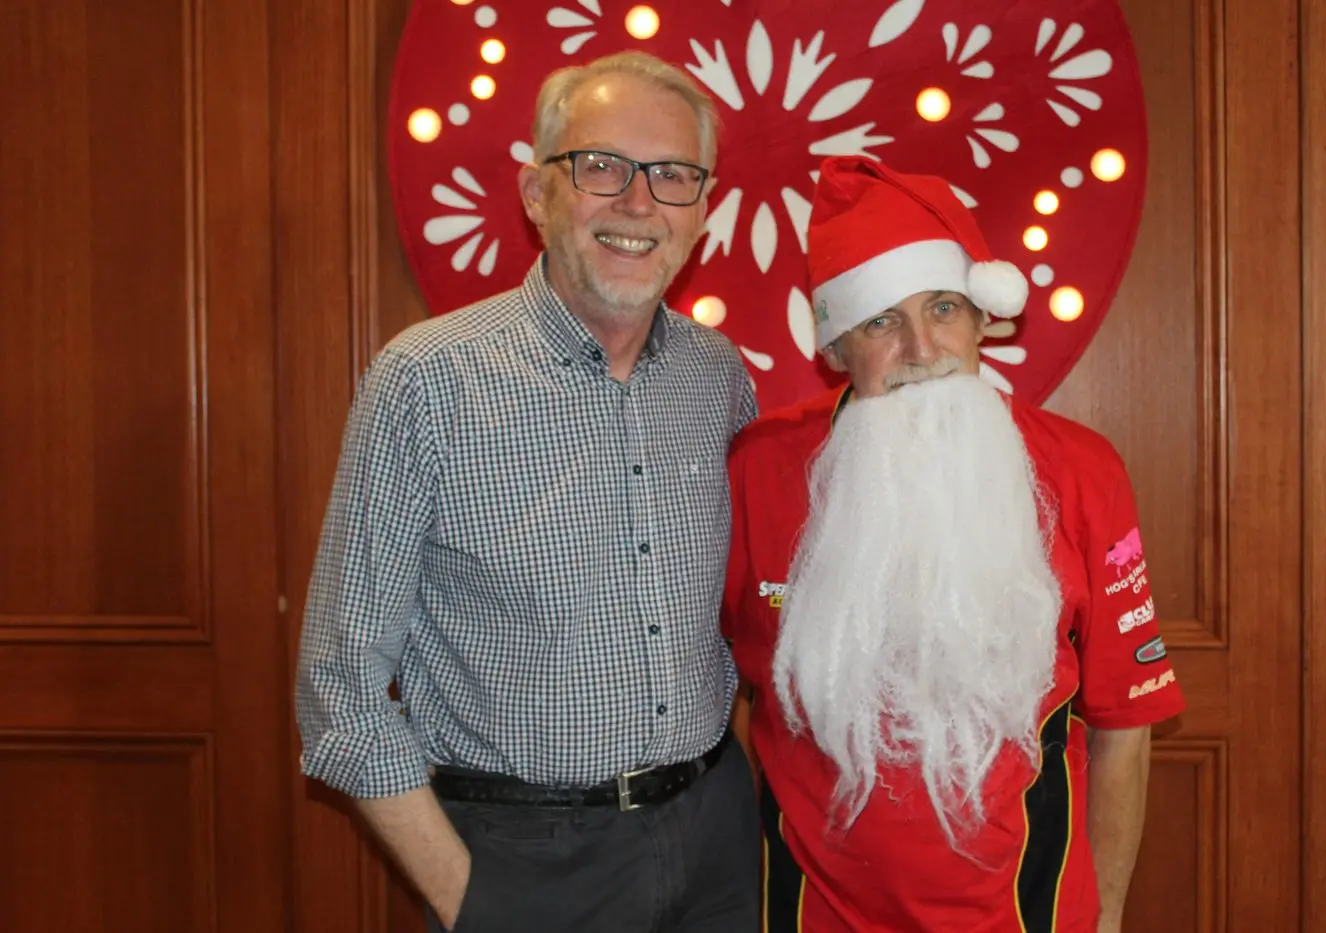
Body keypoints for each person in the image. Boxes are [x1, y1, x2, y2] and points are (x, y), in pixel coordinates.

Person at [296, 51, 761, 933]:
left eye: (672, 176)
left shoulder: (718, 378)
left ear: (702, 214)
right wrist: (472, 901)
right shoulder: (426, 381)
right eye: (600, 167)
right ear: (536, 193)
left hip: (717, 839)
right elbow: (341, 689)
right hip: (523, 858)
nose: (636, 204)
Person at [723, 155, 1185, 933]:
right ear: (834, 349)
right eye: (879, 322)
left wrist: (1104, 917)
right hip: (810, 912)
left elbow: (1123, 722)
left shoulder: (1080, 469)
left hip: (1025, 911)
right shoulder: (759, 470)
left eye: (942, 307)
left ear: (980, 318)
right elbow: (725, 699)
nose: (920, 347)